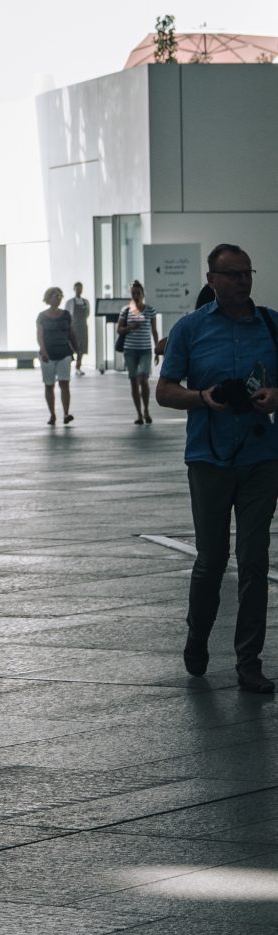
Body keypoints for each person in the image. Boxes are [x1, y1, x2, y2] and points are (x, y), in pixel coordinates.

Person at [157, 244, 278, 694]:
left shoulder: (271, 324)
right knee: (212, 559)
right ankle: (198, 634)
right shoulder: (190, 329)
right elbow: (165, 391)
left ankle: (250, 661)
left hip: (261, 457)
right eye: (232, 274)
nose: (243, 281)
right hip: (208, 459)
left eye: (247, 273)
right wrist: (203, 398)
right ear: (211, 279)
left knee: (254, 559)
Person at [117, 280, 160, 426]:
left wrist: (157, 350)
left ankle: (146, 409)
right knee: (134, 382)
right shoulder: (126, 310)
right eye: (133, 293)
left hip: (145, 350)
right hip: (130, 350)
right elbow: (119, 329)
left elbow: (154, 331)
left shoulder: (150, 310)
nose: (135, 296)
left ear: (143, 294)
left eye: (138, 293)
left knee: (143, 379)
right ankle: (139, 414)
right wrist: (129, 328)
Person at [36, 288, 75, 426]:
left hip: (64, 352)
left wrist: (76, 349)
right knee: (49, 385)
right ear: (48, 298)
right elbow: (40, 335)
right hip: (48, 354)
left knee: (64, 383)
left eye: (60, 296)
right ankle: (52, 414)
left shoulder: (66, 315)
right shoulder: (42, 316)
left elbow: (71, 333)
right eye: (55, 296)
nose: (58, 298)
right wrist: (43, 351)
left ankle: (66, 413)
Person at [66, 282, 91, 373]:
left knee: (81, 348)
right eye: (77, 288)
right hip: (73, 326)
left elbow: (87, 313)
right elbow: (67, 315)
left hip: (83, 326)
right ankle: (67, 365)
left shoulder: (86, 302)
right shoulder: (70, 302)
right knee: (71, 346)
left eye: (80, 288)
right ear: (74, 289)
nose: (79, 290)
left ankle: (78, 367)